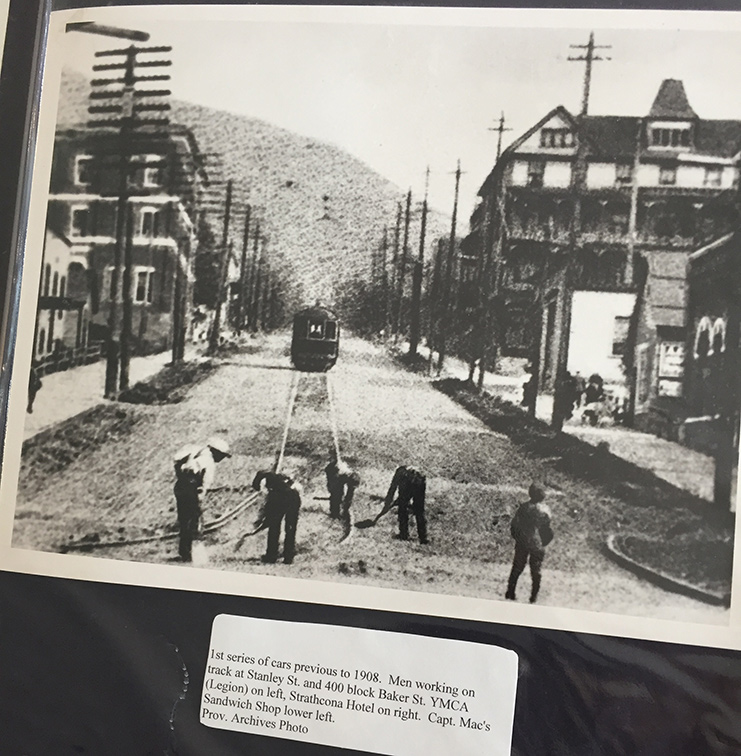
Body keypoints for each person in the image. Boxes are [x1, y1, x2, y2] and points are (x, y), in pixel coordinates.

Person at [172, 437, 231, 563]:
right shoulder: (207, 459)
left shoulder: (194, 451)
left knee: (185, 520)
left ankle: (185, 552)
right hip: (190, 488)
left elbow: (177, 460)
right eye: (222, 455)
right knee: (193, 520)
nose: (221, 459)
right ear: (216, 452)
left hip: (181, 487)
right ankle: (191, 554)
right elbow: (205, 481)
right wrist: (198, 492)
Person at [505, 483, 553, 603]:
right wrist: (544, 542)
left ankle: (510, 591)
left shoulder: (524, 508)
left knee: (517, 567)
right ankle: (533, 596)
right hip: (538, 543)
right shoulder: (545, 510)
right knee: (536, 570)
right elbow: (548, 530)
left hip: (523, 541)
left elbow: (514, 525)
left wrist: (517, 537)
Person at [252, 470, 302, 564]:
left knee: (274, 528)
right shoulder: (281, 478)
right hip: (294, 498)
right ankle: (288, 557)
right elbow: (298, 488)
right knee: (290, 528)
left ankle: (271, 556)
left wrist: (260, 519)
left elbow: (265, 504)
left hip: (280, 499)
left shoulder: (265, 483)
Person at [381, 465, 428, 544]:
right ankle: (423, 538)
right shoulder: (409, 473)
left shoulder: (400, 474)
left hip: (413, 481)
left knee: (403, 508)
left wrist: (387, 503)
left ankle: (403, 534)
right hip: (420, 480)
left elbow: (392, 489)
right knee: (419, 511)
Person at [325, 448, 360, 533]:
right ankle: (334, 513)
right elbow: (331, 482)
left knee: (346, 497)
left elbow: (350, 492)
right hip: (336, 477)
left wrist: (346, 505)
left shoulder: (348, 471)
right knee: (336, 495)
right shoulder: (331, 468)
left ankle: (344, 511)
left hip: (346, 476)